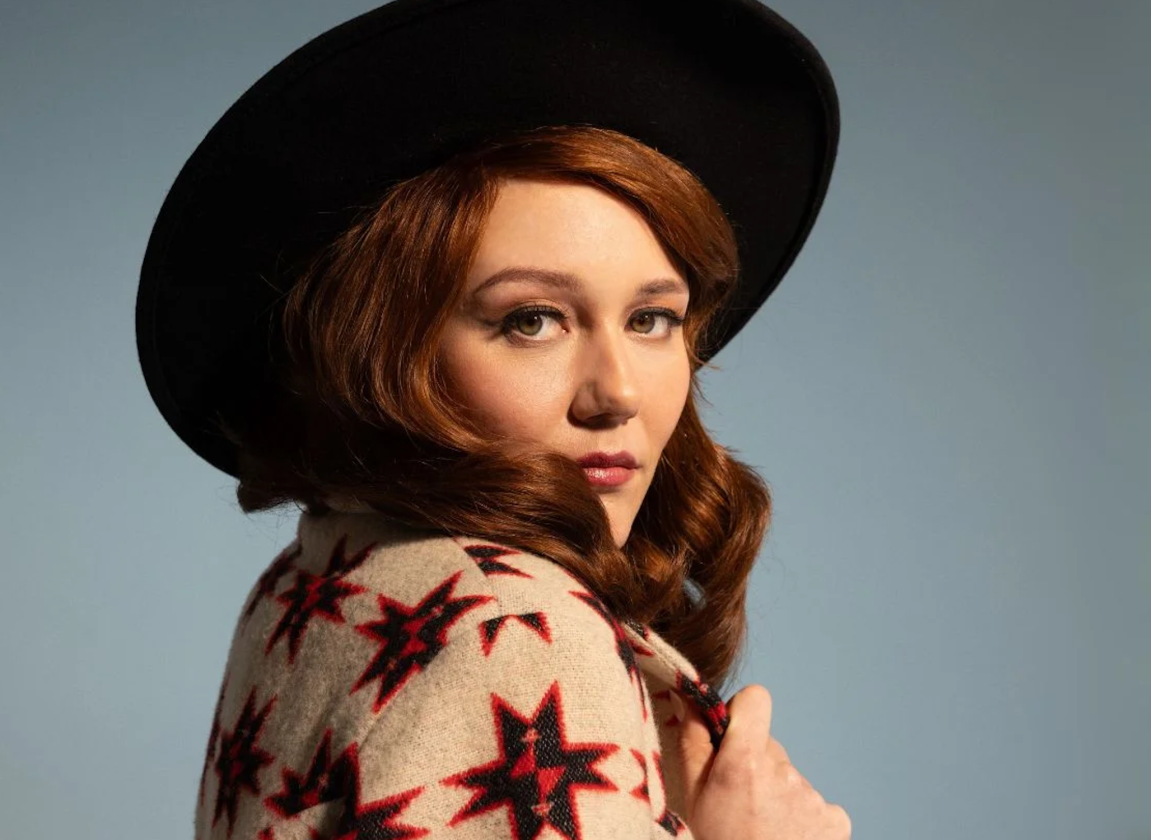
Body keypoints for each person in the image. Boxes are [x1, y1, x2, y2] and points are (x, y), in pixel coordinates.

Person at [136, 0, 846, 838]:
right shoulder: (520, 632)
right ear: (390, 351)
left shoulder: (323, 568)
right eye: (532, 320)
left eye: (651, 319)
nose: (617, 392)